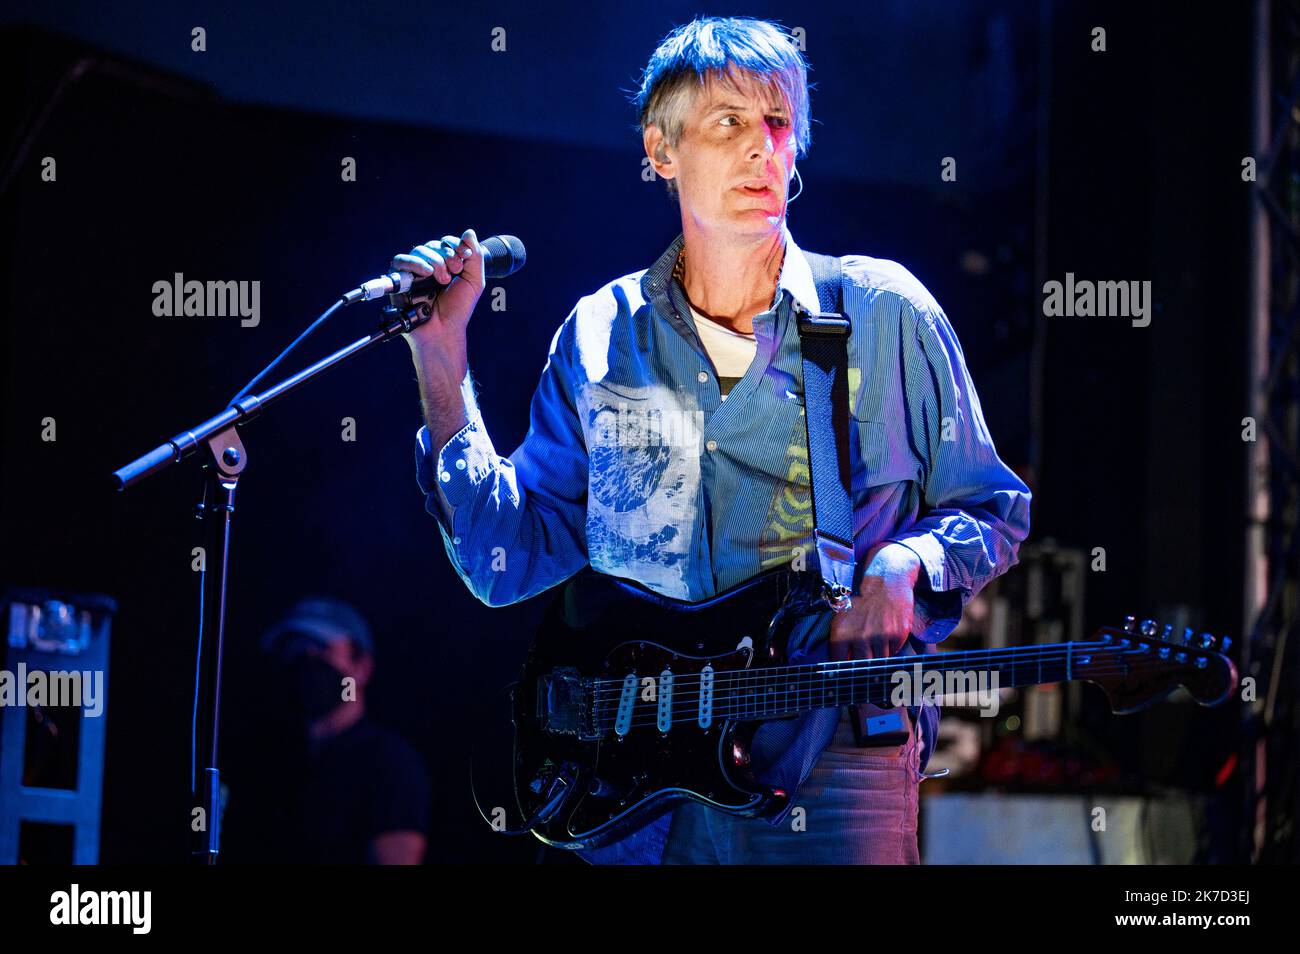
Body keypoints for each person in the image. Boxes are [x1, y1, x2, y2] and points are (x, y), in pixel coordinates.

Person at [398, 16, 1031, 864]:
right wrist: (441, 357)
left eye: (779, 122)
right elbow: (503, 559)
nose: (763, 148)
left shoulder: (883, 314)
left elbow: (993, 507)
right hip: (628, 780)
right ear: (662, 150)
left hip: (828, 752)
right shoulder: (600, 335)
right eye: (729, 122)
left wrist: (904, 563)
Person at [236, 596, 431, 864]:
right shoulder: (268, 764)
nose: (307, 662)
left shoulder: (388, 763)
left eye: (321, 650)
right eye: (295, 652)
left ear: (361, 667)